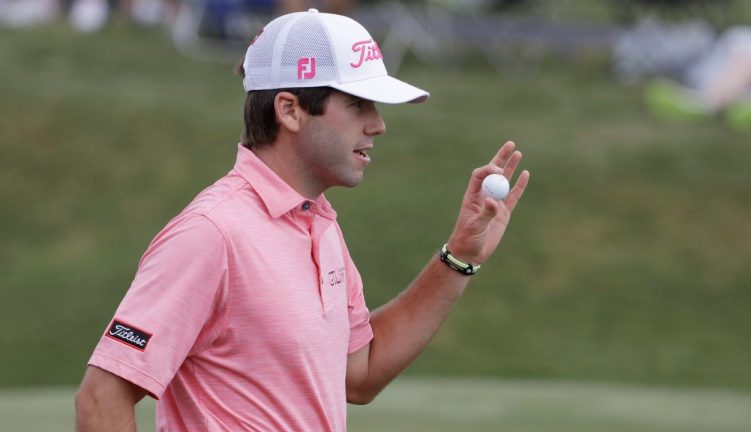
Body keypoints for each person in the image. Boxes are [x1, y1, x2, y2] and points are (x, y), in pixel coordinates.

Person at [74, 8, 530, 431]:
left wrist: (459, 257)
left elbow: (359, 374)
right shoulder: (212, 233)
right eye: (357, 105)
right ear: (290, 110)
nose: (378, 125)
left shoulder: (320, 223)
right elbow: (101, 398)